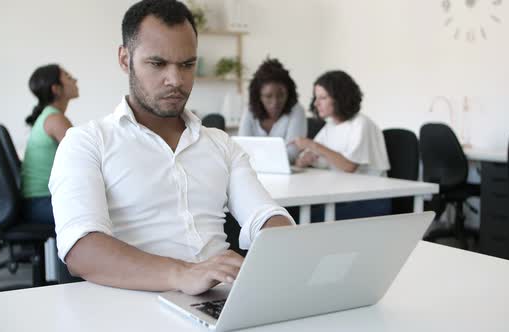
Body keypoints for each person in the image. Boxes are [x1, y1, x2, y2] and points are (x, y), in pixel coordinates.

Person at [49, 0, 294, 295]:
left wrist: (286, 247)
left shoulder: (220, 143)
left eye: (187, 65)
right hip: (133, 303)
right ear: (125, 59)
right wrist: (184, 274)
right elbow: (82, 250)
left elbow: (264, 214)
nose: (176, 80)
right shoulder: (85, 143)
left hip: (219, 300)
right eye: (157, 63)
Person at [292, 70, 391, 220]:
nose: (316, 103)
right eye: (316, 98)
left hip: (369, 200)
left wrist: (314, 146)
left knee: (300, 219)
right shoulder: (330, 126)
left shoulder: (361, 124)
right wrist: (303, 160)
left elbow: (349, 166)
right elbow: (306, 159)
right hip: (340, 196)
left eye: (323, 98)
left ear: (340, 98)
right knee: (290, 214)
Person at [20, 64, 77, 224]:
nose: (75, 80)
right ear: (56, 89)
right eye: (68, 77)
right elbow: (85, 156)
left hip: (36, 202)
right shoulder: (55, 119)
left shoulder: (49, 116)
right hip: (41, 203)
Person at [238, 58, 306, 163]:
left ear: (289, 93)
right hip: (253, 172)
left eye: (281, 95)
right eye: (268, 96)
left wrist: (258, 158)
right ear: (258, 96)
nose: (275, 102)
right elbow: (241, 149)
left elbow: (292, 153)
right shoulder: (249, 111)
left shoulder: (297, 111)